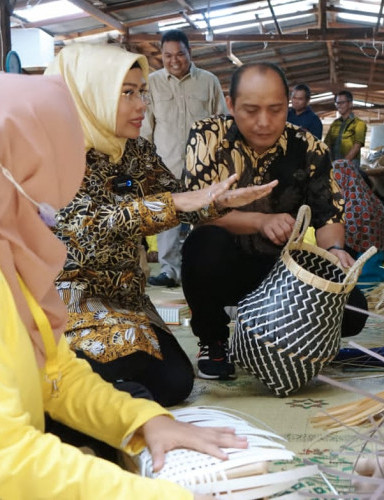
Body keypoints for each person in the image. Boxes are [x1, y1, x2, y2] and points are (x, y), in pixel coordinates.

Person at [0, 72, 249, 500]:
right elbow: (10, 462)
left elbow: (55, 374)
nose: (59, 191)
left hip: (126, 304)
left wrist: (142, 421)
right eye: (51, 167)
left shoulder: (16, 264)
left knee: (171, 379)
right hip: (81, 302)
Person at [45, 44, 276, 406]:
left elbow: (177, 202)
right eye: (127, 93)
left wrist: (216, 201)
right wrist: (178, 202)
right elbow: (88, 227)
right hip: (71, 298)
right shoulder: (52, 155)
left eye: (142, 93)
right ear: (90, 94)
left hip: (127, 298)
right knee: (110, 363)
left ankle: (98, 399)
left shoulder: (135, 151)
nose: (142, 105)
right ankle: (69, 398)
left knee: (175, 383)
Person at [182, 62, 368, 380]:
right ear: (231, 104)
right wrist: (258, 220)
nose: (264, 122)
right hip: (224, 265)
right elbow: (197, 211)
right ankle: (213, 339)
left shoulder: (309, 147)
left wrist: (335, 250)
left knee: (353, 309)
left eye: (276, 109)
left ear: (289, 103)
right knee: (202, 243)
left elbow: (329, 214)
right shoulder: (207, 137)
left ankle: (285, 333)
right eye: (251, 110)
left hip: (282, 276)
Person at [142, 29, 228, 288]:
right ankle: (170, 271)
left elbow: (221, 121)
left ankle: (202, 267)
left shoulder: (208, 81)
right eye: (168, 55)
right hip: (166, 163)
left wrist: (220, 161)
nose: (174, 60)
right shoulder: (152, 82)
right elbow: (146, 126)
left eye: (180, 54)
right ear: (162, 55)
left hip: (202, 164)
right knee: (168, 217)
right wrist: (146, 164)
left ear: (190, 53)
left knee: (204, 217)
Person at [324, 90, 367, 168]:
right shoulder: (335, 124)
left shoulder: (359, 124)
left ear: (350, 104)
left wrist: (343, 163)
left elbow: (357, 146)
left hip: (351, 166)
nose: (339, 106)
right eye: (337, 103)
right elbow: (327, 145)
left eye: (342, 103)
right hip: (334, 165)